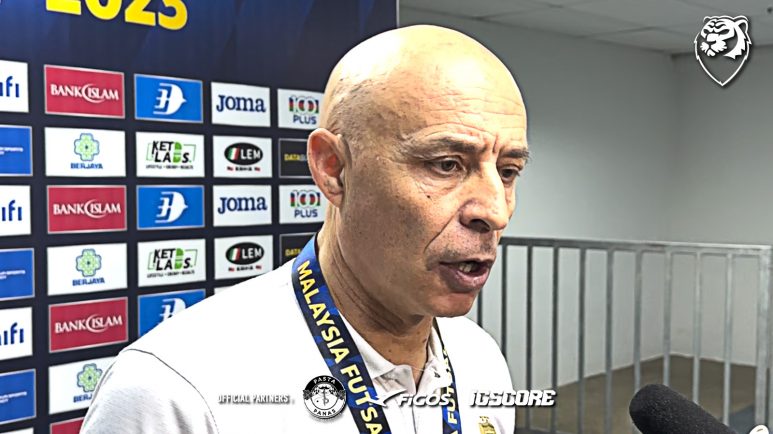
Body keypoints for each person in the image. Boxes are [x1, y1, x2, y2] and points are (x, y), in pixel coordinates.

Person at [81, 24, 529, 434]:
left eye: (508, 171)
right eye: (446, 164)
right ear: (333, 169)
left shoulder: (479, 359)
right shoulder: (175, 392)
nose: (496, 211)